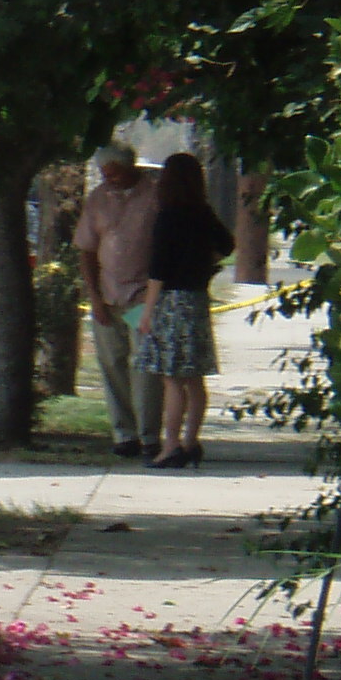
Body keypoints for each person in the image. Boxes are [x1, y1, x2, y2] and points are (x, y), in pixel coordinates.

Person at [139, 152, 236, 469]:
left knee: (171, 379)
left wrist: (146, 313)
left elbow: (158, 269)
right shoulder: (202, 213)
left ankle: (170, 446)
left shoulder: (167, 217)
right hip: (196, 299)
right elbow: (228, 244)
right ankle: (191, 441)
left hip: (170, 302)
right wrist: (206, 259)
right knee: (194, 379)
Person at [72, 145, 158, 457]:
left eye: (117, 173)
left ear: (131, 167)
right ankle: (125, 434)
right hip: (107, 296)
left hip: (142, 298)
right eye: (106, 175)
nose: (112, 180)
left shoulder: (154, 195)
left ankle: (150, 435)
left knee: (145, 365)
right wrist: (94, 297)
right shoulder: (98, 199)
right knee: (112, 364)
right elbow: (86, 250)